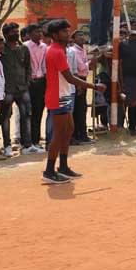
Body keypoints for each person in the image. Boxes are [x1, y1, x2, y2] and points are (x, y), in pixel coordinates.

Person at [42, 19, 105, 184]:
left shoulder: (59, 50)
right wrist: (94, 86)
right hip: (58, 96)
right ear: (55, 35)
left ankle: (63, 166)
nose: (67, 33)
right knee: (59, 134)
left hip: (64, 94)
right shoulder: (56, 51)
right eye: (64, 31)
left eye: (67, 30)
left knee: (68, 130)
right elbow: (69, 77)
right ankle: (49, 170)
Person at [0, 23, 39, 155]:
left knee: (26, 115)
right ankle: (7, 146)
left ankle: (27, 145)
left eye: (17, 31)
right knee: (5, 117)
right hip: (7, 89)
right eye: (13, 32)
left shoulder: (23, 48)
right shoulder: (1, 49)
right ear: (6, 34)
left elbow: (28, 67)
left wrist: (27, 82)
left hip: (22, 88)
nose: (16, 33)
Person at [67, 30, 94, 145]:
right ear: (73, 39)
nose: (82, 37)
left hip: (83, 79)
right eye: (79, 35)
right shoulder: (73, 51)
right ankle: (78, 135)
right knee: (78, 109)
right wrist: (91, 62)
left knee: (82, 108)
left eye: (83, 35)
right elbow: (81, 67)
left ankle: (81, 134)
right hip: (77, 79)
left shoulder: (83, 50)